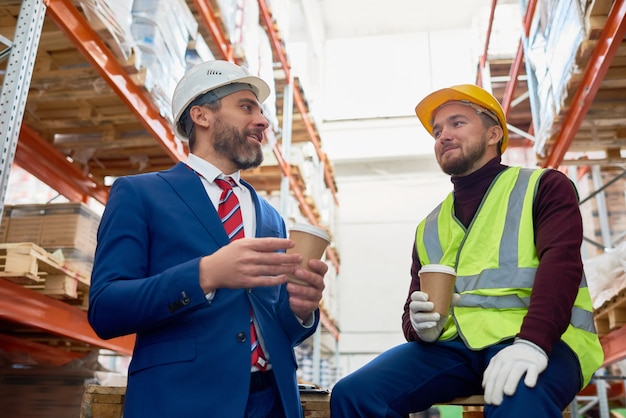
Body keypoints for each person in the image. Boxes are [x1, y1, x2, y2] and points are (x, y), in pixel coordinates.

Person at [330, 84, 604, 417]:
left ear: (493, 135)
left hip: (542, 337)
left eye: (457, 123)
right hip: (455, 347)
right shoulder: (429, 226)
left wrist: (533, 342)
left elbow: (560, 266)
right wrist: (421, 327)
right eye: (437, 131)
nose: (443, 136)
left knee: (519, 402)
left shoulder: (543, 186)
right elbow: (413, 309)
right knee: (353, 395)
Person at [88, 59, 328, 418]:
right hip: (181, 400)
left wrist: (300, 311)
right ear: (201, 116)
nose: (262, 121)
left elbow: (274, 329)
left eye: (261, 111)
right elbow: (106, 310)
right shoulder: (140, 194)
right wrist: (205, 274)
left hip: (272, 401)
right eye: (247, 107)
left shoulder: (271, 218)